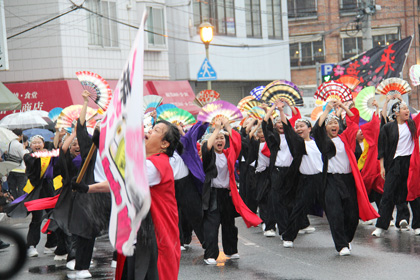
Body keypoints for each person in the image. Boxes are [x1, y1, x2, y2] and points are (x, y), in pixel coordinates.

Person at [73, 120, 182, 280]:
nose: (149, 131)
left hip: (153, 238)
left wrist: (107, 141)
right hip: (140, 234)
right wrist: (88, 188)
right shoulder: (147, 162)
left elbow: (121, 179)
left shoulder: (155, 166)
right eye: (151, 128)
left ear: (164, 143)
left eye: (155, 130)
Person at [313, 100, 378, 256]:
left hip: (348, 180)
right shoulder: (323, 141)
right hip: (330, 181)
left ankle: (346, 239)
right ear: (326, 128)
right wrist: (327, 110)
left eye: (335, 122)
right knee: (335, 213)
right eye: (330, 124)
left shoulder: (346, 137)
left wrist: (343, 108)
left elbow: (353, 121)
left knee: (352, 215)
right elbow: (317, 130)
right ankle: (341, 245)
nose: (333, 125)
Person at [201, 117, 261, 265]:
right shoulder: (209, 156)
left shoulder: (229, 153)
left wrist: (227, 126)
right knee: (212, 225)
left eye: (222, 138)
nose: (219, 140)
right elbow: (206, 148)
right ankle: (210, 254)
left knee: (229, 224)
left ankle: (231, 250)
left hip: (227, 194)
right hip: (213, 194)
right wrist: (215, 129)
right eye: (216, 138)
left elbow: (238, 142)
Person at [277, 102, 323, 248]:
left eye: (302, 126)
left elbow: (321, 126)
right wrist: (280, 110)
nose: (298, 129)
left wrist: (328, 109)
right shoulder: (298, 144)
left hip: (322, 179)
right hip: (306, 180)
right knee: (299, 208)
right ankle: (288, 237)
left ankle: (343, 243)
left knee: (335, 208)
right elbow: (288, 129)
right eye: (297, 127)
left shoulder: (318, 142)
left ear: (309, 128)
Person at [372, 101, 420, 237]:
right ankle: (381, 226)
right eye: (404, 109)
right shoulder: (388, 127)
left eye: (407, 109)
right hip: (394, 163)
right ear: (396, 112)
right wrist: (382, 167)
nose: (407, 111)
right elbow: (381, 148)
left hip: (410, 164)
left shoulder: (412, 125)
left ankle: (417, 225)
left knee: (415, 194)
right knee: (387, 194)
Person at [6, 129, 28, 199]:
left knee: (12, 188)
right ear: (21, 136)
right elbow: (24, 156)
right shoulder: (19, 145)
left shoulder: (9, 144)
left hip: (11, 169)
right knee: (21, 189)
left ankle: (13, 203)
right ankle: (19, 205)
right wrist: (25, 148)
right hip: (20, 170)